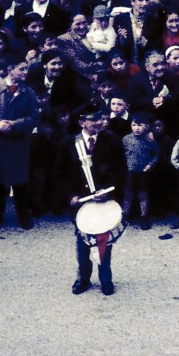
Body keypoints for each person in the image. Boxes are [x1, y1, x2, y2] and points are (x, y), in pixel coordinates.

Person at [64, 102, 127, 295]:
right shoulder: (69, 143)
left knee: (104, 240)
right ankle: (83, 278)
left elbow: (121, 171)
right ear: (82, 122)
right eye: (93, 119)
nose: (99, 122)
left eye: (100, 118)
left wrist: (111, 192)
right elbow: (60, 174)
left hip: (105, 199)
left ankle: (105, 278)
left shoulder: (112, 139)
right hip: (81, 202)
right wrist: (70, 196)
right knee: (82, 241)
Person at [0, 55, 39, 230]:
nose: (26, 72)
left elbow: (35, 116)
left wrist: (17, 125)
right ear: (10, 70)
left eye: (26, 69)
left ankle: (23, 216)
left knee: (20, 182)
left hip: (18, 143)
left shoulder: (28, 92)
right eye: (22, 69)